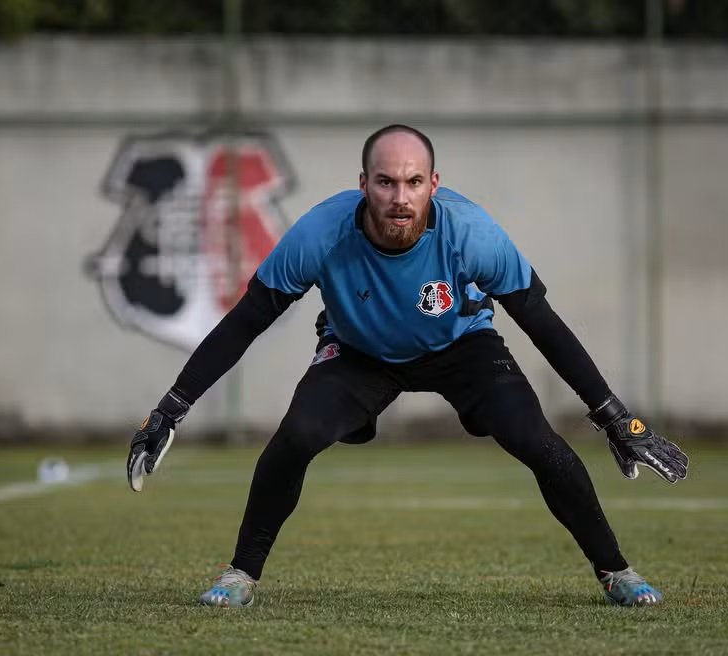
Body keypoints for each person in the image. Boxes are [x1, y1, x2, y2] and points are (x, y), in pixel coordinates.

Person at [126, 124, 689, 609]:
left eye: (414, 182)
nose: (400, 196)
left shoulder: (472, 232)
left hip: (461, 346)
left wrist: (612, 414)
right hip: (358, 353)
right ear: (363, 184)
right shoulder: (320, 234)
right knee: (296, 435)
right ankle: (241, 573)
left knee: (534, 438)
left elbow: (541, 322)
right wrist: (171, 408)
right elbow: (246, 320)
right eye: (386, 182)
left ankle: (616, 570)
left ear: (434, 185)